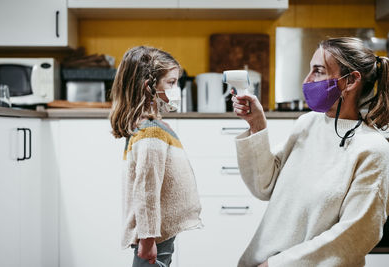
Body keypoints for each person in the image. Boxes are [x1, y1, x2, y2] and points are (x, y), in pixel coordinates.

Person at [231, 37, 389, 267]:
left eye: (318, 71)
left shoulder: (372, 149)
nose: (307, 81)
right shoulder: (308, 123)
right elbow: (264, 186)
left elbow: (353, 236)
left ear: (351, 81)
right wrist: (257, 125)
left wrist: (276, 265)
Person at [109, 46, 202, 267]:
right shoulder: (150, 132)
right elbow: (146, 188)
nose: (176, 89)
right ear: (149, 87)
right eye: (171, 83)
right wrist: (148, 237)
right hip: (154, 235)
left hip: (160, 231)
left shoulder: (154, 127)